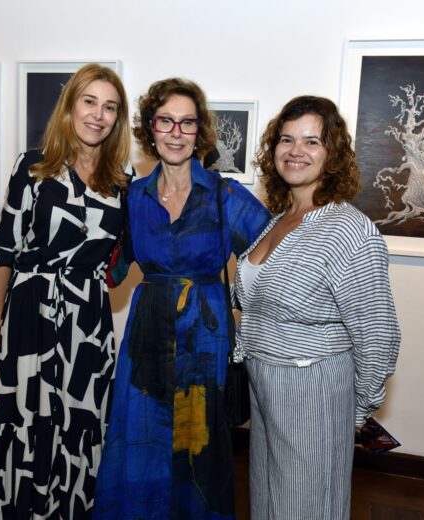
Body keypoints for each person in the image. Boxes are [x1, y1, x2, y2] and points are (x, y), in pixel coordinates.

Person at [94, 78, 270, 519]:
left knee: (201, 453)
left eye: (187, 122)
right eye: (166, 121)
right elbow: (110, 269)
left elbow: (278, 256)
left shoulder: (225, 196)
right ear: (150, 129)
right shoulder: (133, 197)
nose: (175, 132)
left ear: (200, 131)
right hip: (147, 337)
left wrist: (245, 309)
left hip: (206, 343)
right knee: (142, 439)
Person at [0, 63, 131, 519]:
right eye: (90, 101)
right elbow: (4, 250)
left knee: (81, 426)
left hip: (88, 323)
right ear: (70, 105)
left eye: (110, 107)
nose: (99, 115)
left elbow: (133, 251)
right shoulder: (33, 167)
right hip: (30, 315)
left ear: (118, 118)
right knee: (27, 425)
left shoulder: (124, 180)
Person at [234, 95, 401, 519]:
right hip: (266, 386)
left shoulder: (349, 229)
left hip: (314, 392)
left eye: (312, 141)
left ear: (332, 154)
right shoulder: (281, 217)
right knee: (269, 501)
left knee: (305, 507)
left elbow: (378, 333)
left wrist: (356, 410)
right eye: (286, 140)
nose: (296, 151)